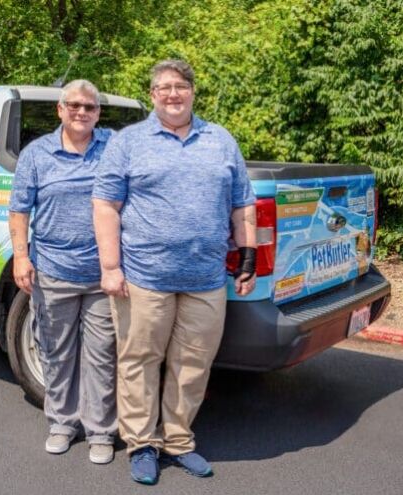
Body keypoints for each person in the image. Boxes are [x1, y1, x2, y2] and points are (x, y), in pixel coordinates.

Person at [92, 60, 257, 483]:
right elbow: (105, 205)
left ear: (192, 91)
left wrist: (249, 256)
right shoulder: (129, 142)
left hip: (205, 279)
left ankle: (179, 441)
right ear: (152, 95)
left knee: (193, 364)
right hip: (144, 278)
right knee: (139, 362)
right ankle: (142, 444)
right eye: (163, 87)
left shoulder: (220, 140)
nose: (172, 94)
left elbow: (243, 204)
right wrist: (110, 267)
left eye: (180, 86)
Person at [8, 79, 118, 464]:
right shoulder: (36, 154)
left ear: (98, 113)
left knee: (102, 355)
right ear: (60, 109)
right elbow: (19, 210)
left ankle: (101, 431)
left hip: (102, 275)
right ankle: (62, 423)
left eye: (89, 107)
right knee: (57, 352)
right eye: (74, 105)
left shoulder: (113, 149)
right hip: (52, 271)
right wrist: (21, 258)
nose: (81, 112)